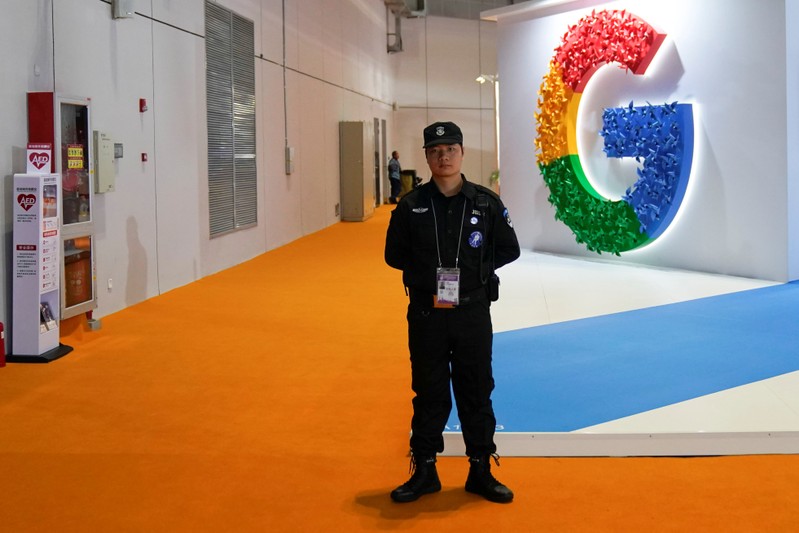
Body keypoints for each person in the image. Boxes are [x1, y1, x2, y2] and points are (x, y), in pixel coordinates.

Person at [384, 121, 521, 504]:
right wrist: (429, 273)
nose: (443, 156)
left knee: (476, 390)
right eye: (435, 150)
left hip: (472, 312)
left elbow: (509, 249)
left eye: (450, 149)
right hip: (427, 314)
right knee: (428, 392)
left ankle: (480, 469)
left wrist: (476, 272)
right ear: (426, 156)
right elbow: (393, 255)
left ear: (461, 153)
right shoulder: (411, 206)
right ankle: (425, 470)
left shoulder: (484, 203)